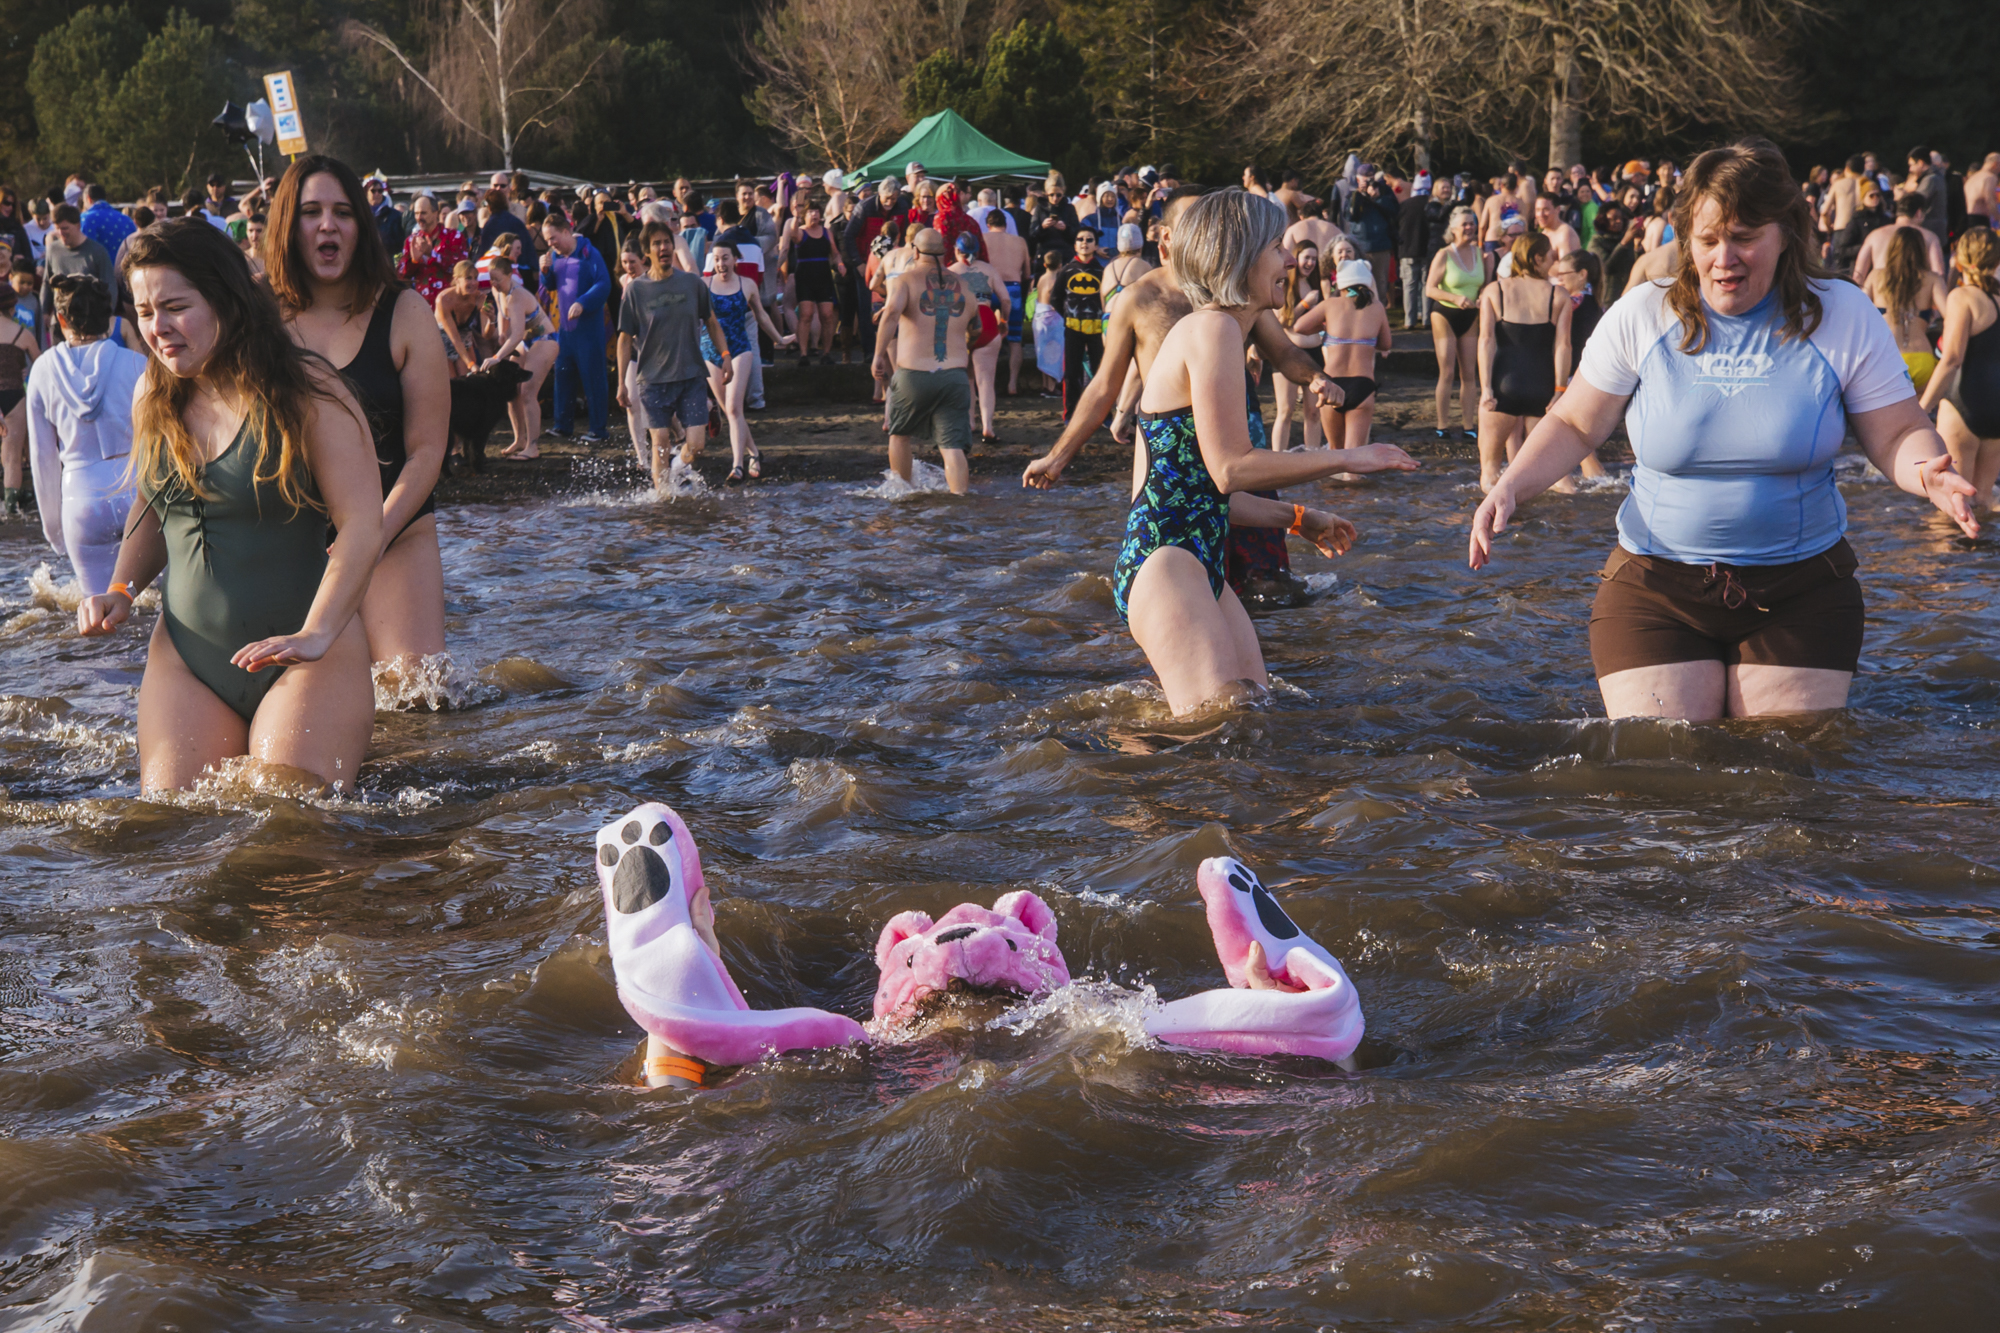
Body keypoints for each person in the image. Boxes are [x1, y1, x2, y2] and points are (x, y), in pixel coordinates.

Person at [1470, 138, 1980, 722]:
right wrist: (1510, 484)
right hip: (1656, 586)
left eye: (1743, 238)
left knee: (1777, 779)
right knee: (1665, 773)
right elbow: (1575, 422)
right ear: (1686, 239)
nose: (1723, 259)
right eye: (1708, 240)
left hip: (1801, 590)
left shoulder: (1839, 312)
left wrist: (1926, 471)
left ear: (1785, 232)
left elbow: (1894, 433)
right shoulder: (1642, 313)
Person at [78, 217, 383, 792]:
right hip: (188, 662)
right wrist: (120, 589)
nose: (158, 328)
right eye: (144, 313)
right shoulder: (154, 391)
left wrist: (317, 633)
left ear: (226, 298)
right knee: (176, 838)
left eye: (174, 306)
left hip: (306, 656)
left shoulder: (307, 390)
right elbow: (155, 497)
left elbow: (363, 524)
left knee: (291, 832)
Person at [1113, 189, 1386, 716]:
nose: (1289, 260)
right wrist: (1346, 456)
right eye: (1276, 247)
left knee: (1251, 713)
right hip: (1168, 566)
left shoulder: (1219, 333)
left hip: (1191, 561)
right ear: (1236, 253)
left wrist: (1296, 517)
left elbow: (1201, 490)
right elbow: (1233, 467)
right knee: (1216, 737)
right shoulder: (1211, 328)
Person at [267, 155, 451, 674]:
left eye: (344, 212)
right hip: (292, 536)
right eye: (311, 212)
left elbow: (427, 450)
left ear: (361, 226)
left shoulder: (406, 310)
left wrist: (372, 536)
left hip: (396, 530)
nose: (328, 224)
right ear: (286, 223)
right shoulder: (256, 313)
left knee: (414, 699)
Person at [25, 274, 140, 592]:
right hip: (137, 494)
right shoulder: (137, 364)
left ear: (60, 318)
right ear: (111, 318)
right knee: (154, 609)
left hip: (81, 502)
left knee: (98, 614)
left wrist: (54, 530)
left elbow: (42, 456)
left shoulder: (42, 370)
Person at [616, 221, 730, 490]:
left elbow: (711, 322)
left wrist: (725, 355)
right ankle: (663, 500)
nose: (663, 247)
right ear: (647, 252)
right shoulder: (636, 290)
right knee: (660, 442)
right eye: (656, 243)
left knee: (697, 446)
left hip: (691, 376)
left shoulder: (691, 283)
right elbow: (623, 339)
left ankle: (678, 467)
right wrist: (621, 382)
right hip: (653, 379)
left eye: (667, 241)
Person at [873, 227, 977, 494]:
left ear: (915, 251)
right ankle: (960, 500)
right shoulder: (965, 285)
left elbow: (892, 313)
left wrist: (877, 356)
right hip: (954, 375)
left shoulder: (905, 280)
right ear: (943, 254)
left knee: (899, 434)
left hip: (914, 375)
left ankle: (902, 494)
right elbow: (976, 327)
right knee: (952, 446)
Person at [1477, 232, 1574, 492]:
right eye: (1550, 256)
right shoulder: (1559, 295)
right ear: (1537, 258)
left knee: (1490, 473)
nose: (1554, 260)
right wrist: (1559, 390)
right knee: (1560, 479)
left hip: (1503, 385)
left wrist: (1486, 388)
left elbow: (1486, 341)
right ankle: (1567, 527)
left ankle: (1498, 524)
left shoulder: (1494, 291)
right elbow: (1563, 346)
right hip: (1542, 387)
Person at [1921, 227, 2000, 513]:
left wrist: (1920, 408)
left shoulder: (1962, 297)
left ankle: (1942, 558)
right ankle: (1985, 559)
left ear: (1958, 258)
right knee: (1983, 500)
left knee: (1953, 504)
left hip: (1963, 404)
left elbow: (1952, 359)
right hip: (1996, 410)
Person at [703, 242, 789, 483]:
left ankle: (737, 465)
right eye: (717, 259)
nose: (721, 263)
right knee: (732, 413)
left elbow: (761, 315)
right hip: (710, 351)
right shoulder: (704, 284)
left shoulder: (747, 284)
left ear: (735, 260)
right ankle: (754, 453)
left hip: (740, 349)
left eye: (726, 258)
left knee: (733, 408)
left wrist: (779, 338)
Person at [1296, 259, 1392, 452]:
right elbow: (1386, 344)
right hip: (1362, 384)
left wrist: (1325, 328)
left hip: (1332, 383)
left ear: (1341, 283)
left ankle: (1335, 483)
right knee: (1354, 456)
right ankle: (1354, 481)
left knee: (1335, 453)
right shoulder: (1377, 308)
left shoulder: (1330, 305)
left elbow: (1299, 327)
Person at [540, 210, 611, 442]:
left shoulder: (588, 252)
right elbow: (551, 285)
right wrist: (544, 272)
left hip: (588, 329)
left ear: (565, 231)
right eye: (547, 240)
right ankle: (563, 425)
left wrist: (584, 302)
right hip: (566, 330)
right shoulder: (555, 256)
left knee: (593, 378)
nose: (550, 244)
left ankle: (598, 430)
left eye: (553, 238)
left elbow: (604, 283)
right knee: (563, 375)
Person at [1425, 206, 1488, 441]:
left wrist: (1482, 296)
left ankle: (1468, 424)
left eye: (1472, 223)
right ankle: (1442, 424)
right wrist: (1454, 297)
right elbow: (1430, 288)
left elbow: (1485, 284)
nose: (1469, 228)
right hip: (1445, 313)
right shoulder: (1444, 254)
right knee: (1447, 371)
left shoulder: (1480, 253)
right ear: (1453, 229)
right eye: (1465, 224)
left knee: (1469, 372)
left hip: (1470, 314)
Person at [485, 257, 558, 459]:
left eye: (497, 279)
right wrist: (499, 330)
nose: (494, 283)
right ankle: (519, 439)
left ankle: (532, 447)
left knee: (527, 393)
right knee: (511, 389)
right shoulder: (498, 292)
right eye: (491, 279)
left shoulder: (516, 296)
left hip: (544, 339)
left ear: (509, 275)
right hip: (526, 341)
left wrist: (497, 357)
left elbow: (517, 333)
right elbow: (502, 317)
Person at [1862, 228, 1948, 395]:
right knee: (1918, 415)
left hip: (1887, 358)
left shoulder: (1875, 277)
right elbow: (1950, 318)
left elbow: (1859, 314)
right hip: (1921, 357)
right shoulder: (1932, 279)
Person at [949, 234, 1010, 445]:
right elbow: (1006, 299)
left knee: (965, 378)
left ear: (956, 250)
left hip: (961, 322)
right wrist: (1003, 320)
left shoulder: (951, 271)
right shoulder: (989, 269)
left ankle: (969, 423)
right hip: (986, 320)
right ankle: (988, 427)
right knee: (986, 381)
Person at [1270, 240, 1324, 452]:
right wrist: (1306, 304)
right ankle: (1277, 459)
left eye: (1314, 259)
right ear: (1297, 258)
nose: (1310, 262)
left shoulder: (1316, 286)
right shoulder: (1283, 283)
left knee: (1313, 411)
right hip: (1288, 353)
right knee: (1286, 410)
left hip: (1315, 353)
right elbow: (1282, 319)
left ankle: (1313, 458)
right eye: (1306, 258)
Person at [1055, 229, 1106, 422]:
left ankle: (1102, 413)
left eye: (1089, 240)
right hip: (1073, 329)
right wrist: (1068, 316)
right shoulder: (1067, 270)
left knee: (1100, 372)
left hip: (1097, 330)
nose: (1084, 242)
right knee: (1071, 373)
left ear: (1095, 245)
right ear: (1075, 244)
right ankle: (1071, 413)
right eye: (1080, 239)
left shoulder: (1102, 271)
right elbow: (1055, 298)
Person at [786, 200, 843, 366]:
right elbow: (792, 234)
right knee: (806, 315)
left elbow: (835, 252)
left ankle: (826, 353)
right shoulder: (801, 232)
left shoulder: (826, 232)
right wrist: (796, 215)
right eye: (811, 212)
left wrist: (839, 263)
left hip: (824, 276)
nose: (815, 215)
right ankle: (803, 354)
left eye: (817, 212)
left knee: (827, 315)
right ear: (805, 215)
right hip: (805, 276)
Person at [0, 281, 40, 514]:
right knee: (14, 454)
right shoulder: (23, 335)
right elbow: (42, 364)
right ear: (13, 307)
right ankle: (12, 508)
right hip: (15, 395)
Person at [982, 210, 1031, 394]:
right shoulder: (1019, 241)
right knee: (1015, 340)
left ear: (988, 225)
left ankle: (987, 382)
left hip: (988, 287)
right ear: (1006, 225)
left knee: (986, 336)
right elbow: (1026, 273)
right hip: (1012, 289)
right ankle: (1012, 383)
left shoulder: (983, 239)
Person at [1854, 194, 1944, 284]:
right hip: (1917, 292)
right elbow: (1939, 273)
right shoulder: (1930, 237)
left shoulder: (1874, 236)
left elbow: (1858, 275)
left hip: (1880, 291)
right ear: (1919, 213)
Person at [397, 194, 467, 308]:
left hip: (450, 307)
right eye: (416, 213)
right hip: (421, 308)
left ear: (435, 213)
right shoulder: (412, 240)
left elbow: (460, 269)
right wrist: (414, 261)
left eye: (423, 213)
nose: (419, 217)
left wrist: (432, 254)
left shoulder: (454, 236)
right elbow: (401, 277)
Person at [1342, 164, 1398, 301]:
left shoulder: (1384, 191)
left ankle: (1379, 315)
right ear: (1357, 179)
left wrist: (1377, 198)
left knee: (1380, 284)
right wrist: (1360, 195)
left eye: (1371, 178)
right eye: (1365, 179)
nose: (1368, 182)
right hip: (1360, 245)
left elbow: (1395, 212)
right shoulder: (1353, 194)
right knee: (1359, 283)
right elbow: (1350, 216)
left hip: (1381, 245)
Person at [43, 205, 116, 308]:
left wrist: (106, 313)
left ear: (78, 226)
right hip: (60, 318)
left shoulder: (97, 252)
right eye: (57, 228)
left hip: (90, 316)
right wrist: (44, 312)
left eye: (65, 228)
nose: (60, 233)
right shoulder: (53, 250)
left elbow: (110, 287)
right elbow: (47, 283)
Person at [1831, 181, 1889, 280]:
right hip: (1862, 268)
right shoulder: (1857, 219)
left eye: (1877, 195)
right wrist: (1866, 248)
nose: (1875, 198)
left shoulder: (1885, 219)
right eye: (1871, 195)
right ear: (1864, 197)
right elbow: (1842, 249)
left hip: (1882, 266)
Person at [1900, 147, 1946, 243]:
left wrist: (1902, 196)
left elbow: (1915, 202)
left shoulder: (1929, 180)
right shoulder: (1937, 177)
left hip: (1928, 232)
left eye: (1911, 165)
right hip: (1936, 230)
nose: (1910, 169)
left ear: (1920, 163)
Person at [1966, 153, 2000, 228]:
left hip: (1966, 219)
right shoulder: (1990, 177)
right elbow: (1989, 199)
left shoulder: (1972, 178)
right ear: (1995, 164)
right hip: (1979, 219)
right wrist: (1998, 217)